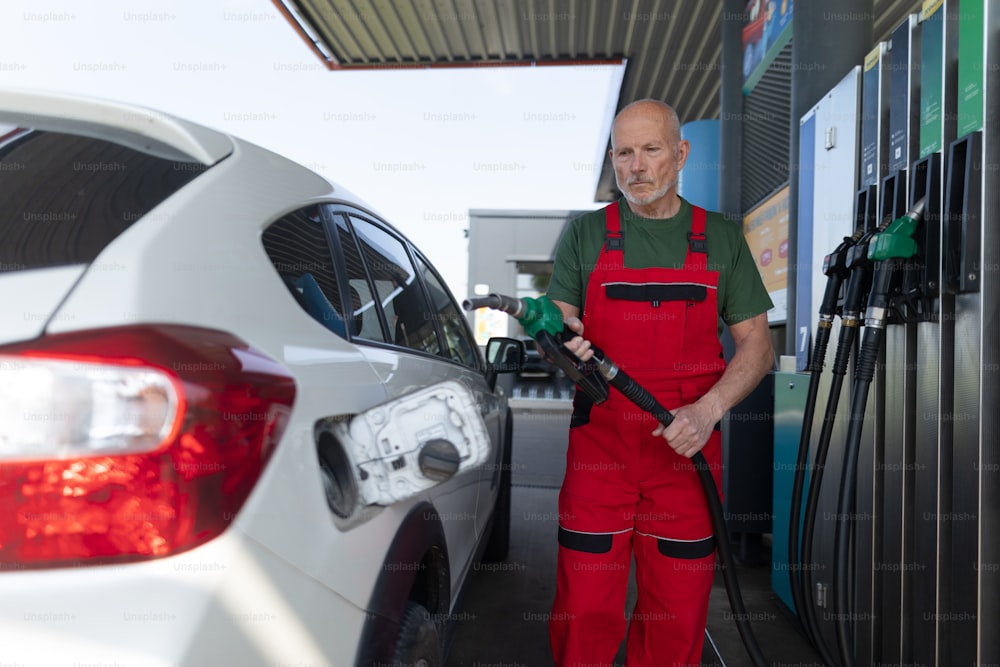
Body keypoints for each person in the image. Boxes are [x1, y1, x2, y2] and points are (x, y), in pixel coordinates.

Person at [545, 99, 774, 666]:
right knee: (584, 610)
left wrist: (709, 409)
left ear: (680, 153)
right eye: (624, 152)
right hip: (602, 447)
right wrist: (560, 335)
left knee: (675, 616)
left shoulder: (720, 238)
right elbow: (557, 323)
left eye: (651, 150)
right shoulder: (585, 235)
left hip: (686, 445)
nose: (636, 166)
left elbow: (758, 345)